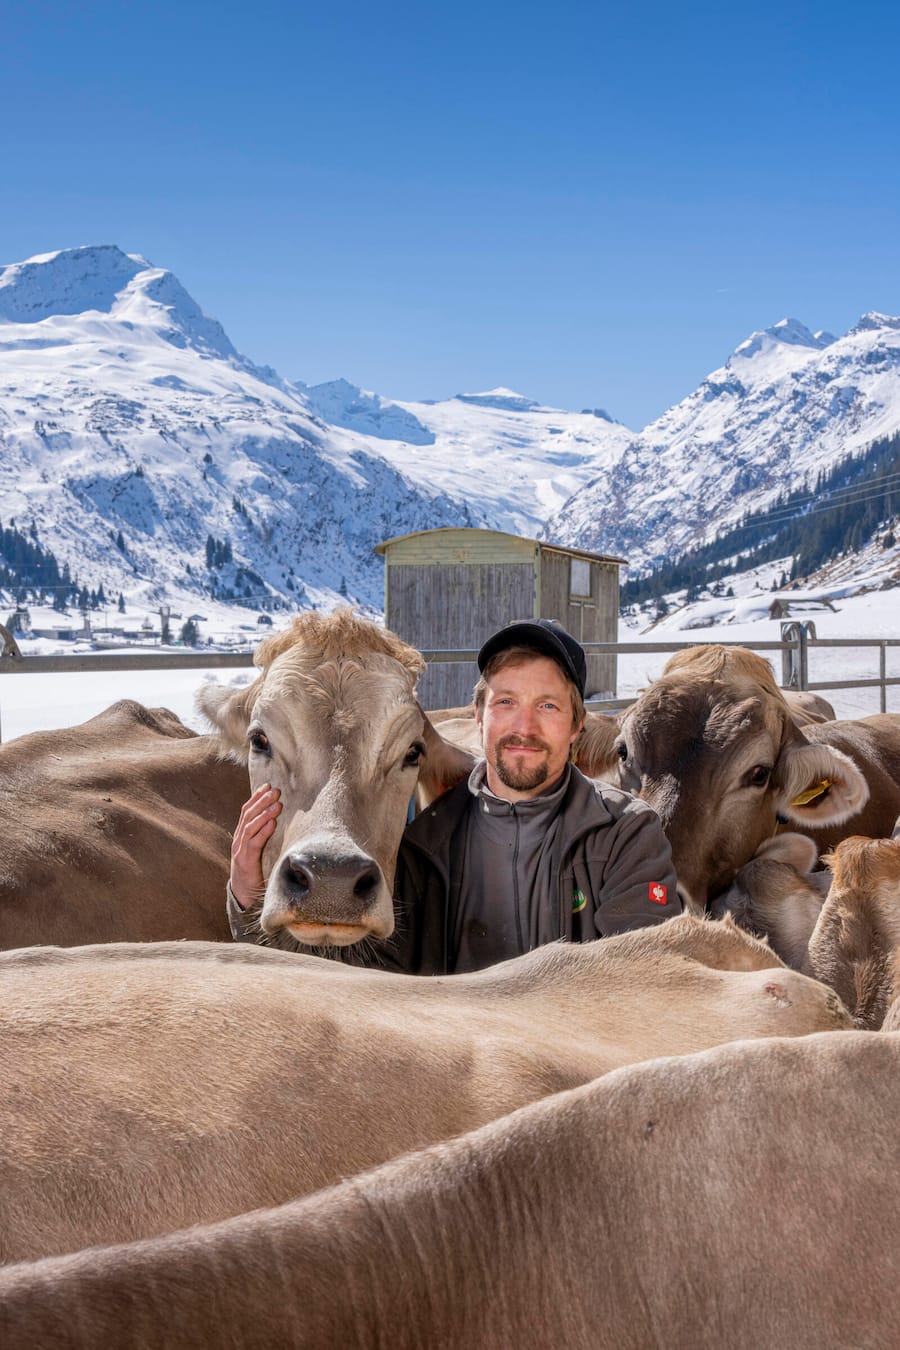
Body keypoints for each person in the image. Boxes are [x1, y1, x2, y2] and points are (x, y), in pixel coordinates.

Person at [227, 618, 681, 974]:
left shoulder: (627, 833)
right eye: (506, 703)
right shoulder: (424, 848)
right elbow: (339, 984)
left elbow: (645, 981)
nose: (524, 727)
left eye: (547, 706)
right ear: (478, 716)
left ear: (577, 726)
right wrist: (248, 898)